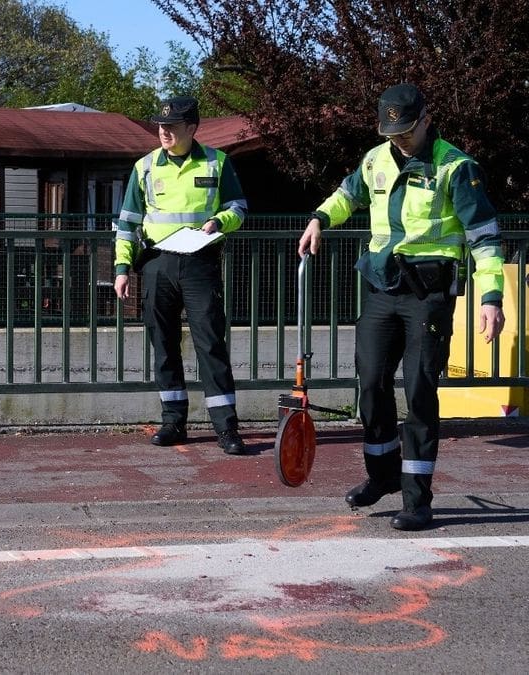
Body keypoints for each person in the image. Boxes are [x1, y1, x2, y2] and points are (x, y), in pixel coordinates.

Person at [298, 83, 505, 531]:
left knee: (419, 393)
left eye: (407, 131)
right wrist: (319, 218)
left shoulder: (456, 167)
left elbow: (485, 237)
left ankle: (417, 499)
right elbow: (347, 195)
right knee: (371, 385)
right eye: (392, 133)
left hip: (427, 296)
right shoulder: (375, 159)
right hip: (381, 286)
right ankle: (383, 476)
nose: (400, 140)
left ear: (427, 120)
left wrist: (491, 297)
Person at [114, 96, 249, 455]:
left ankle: (226, 428)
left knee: (210, 344)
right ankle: (173, 422)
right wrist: (122, 268)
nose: (164, 131)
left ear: (191, 128)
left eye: (172, 126)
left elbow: (238, 208)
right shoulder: (145, 166)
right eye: (161, 125)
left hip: (200, 262)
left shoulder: (218, 162)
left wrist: (219, 221)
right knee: (164, 346)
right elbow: (127, 223)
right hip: (157, 262)